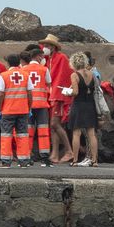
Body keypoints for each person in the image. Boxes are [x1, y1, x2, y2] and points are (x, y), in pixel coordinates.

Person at [0, 54, 33, 168]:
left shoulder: (4, 75)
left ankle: (6, 162)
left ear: (8, 63)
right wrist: (29, 107)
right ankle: (24, 161)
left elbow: (1, 94)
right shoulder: (26, 75)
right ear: (19, 62)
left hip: (8, 110)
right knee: (22, 135)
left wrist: (0, 109)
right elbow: (30, 93)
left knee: (6, 135)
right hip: (23, 110)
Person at [40, 34, 73, 164]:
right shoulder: (48, 60)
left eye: (47, 46)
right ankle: (54, 154)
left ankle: (69, 151)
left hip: (58, 96)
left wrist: (59, 93)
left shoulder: (62, 58)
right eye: (44, 45)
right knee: (53, 126)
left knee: (55, 124)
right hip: (51, 95)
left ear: (53, 47)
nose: (45, 48)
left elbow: (64, 77)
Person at [63, 51, 99, 167]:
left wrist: (67, 92)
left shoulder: (74, 75)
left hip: (78, 105)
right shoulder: (92, 74)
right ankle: (94, 160)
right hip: (90, 105)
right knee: (91, 134)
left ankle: (75, 160)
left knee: (76, 133)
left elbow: (75, 92)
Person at [23, 48, 54, 166]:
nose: (43, 59)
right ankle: (45, 158)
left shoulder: (24, 69)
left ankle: (26, 156)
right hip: (41, 105)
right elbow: (49, 85)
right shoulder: (44, 69)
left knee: (27, 132)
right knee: (43, 132)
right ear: (37, 57)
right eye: (42, 56)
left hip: (27, 105)